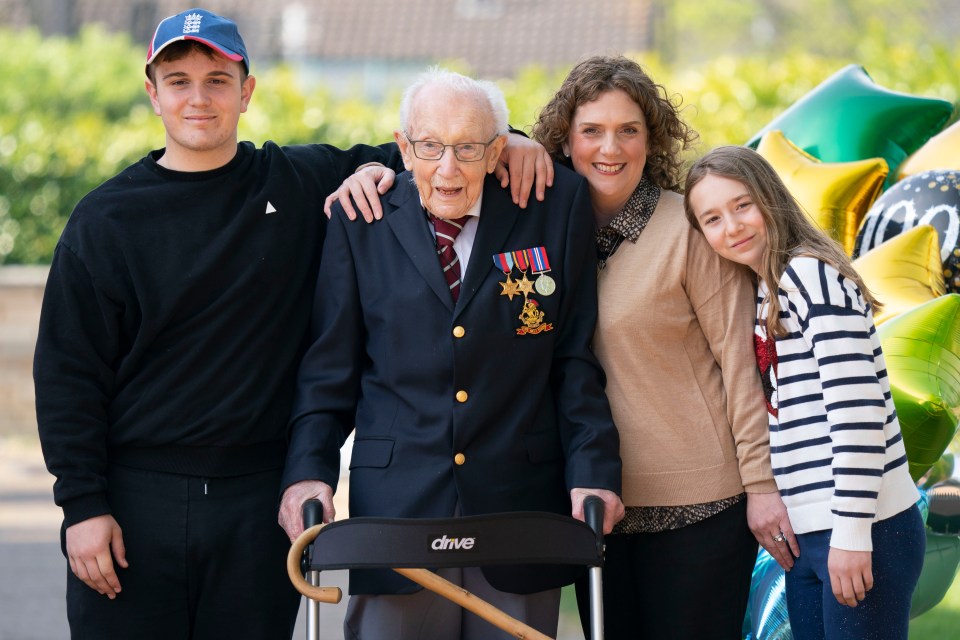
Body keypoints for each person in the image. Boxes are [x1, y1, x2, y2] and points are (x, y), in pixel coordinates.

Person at [32, 8, 551, 639]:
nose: (199, 98)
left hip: (259, 499)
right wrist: (82, 506)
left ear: (246, 92)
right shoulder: (104, 220)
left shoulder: (300, 179)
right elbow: (67, 376)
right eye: (179, 81)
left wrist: (516, 139)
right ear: (153, 93)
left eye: (218, 80)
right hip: (137, 499)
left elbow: (438, 144)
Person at [330, 54, 795, 638]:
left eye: (629, 130)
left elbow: (735, 365)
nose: (611, 148)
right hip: (596, 507)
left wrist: (760, 487)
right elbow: (445, 149)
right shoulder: (546, 211)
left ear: (654, 139)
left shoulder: (681, 231)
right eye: (591, 131)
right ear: (563, 142)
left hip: (690, 503)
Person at [277, 67, 624, 640]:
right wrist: (306, 473)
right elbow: (329, 370)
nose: (447, 168)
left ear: (497, 150)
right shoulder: (361, 219)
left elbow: (572, 358)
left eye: (467, 148)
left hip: (518, 508)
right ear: (403, 148)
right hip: (395, 513)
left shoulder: (553, 204)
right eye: (430, 146)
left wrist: (594, 471)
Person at [684, 145, 924, 640]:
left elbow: (857, 414)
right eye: (712, 219)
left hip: (864, 526)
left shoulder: (810, 275)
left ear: (771, 198)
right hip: (814, 531)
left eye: (742, 205)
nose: (732, 227)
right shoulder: (768, 291)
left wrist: (853, 534)